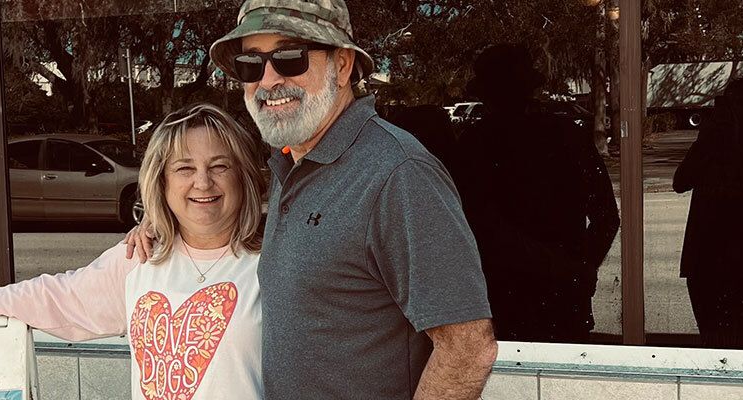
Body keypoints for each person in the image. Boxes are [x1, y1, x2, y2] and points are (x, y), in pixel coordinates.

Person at [127, 1, 497, 398]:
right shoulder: (294, 165)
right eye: (251, 64)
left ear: (341, 64)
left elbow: (469, 349)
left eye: (289, 57)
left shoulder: (397, 174)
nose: (268, 80)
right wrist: (162, 223)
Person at [0, 103, 269, 400]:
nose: (203, 182)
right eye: (184, 168)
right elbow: (54, 296)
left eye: (220, 166)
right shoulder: (140, 260)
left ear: (243, 177)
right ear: (161, 182)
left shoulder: (274, 263)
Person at [451, 44, 620, 343]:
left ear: (486, 95)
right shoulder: (566, 134)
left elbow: (481, 227)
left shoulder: (476, 143)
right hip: (551, 293)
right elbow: (606, 216)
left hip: (508, 295)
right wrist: (579, 269)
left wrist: (575, 269)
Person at [673, 78, 743, 349]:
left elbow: (681, 181)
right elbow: (680, 181)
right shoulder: (713, 140)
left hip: (713, 259)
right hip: (713, 260)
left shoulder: (717, 141)